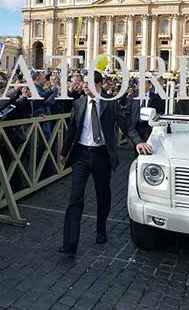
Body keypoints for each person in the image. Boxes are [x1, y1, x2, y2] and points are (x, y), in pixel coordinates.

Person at [58, 72, 152, 258]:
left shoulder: (110, 103)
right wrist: (64, 151)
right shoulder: (79, 102)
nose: (84, 86)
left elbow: (126, 125)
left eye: (89, 83)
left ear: (99, 84)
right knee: (75, 199)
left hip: (102, 155)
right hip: (81, 155)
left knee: (103, 195)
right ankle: (69, 244)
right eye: (84, 83)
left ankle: (101, 228)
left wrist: (138, 142)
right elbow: (72, 128)